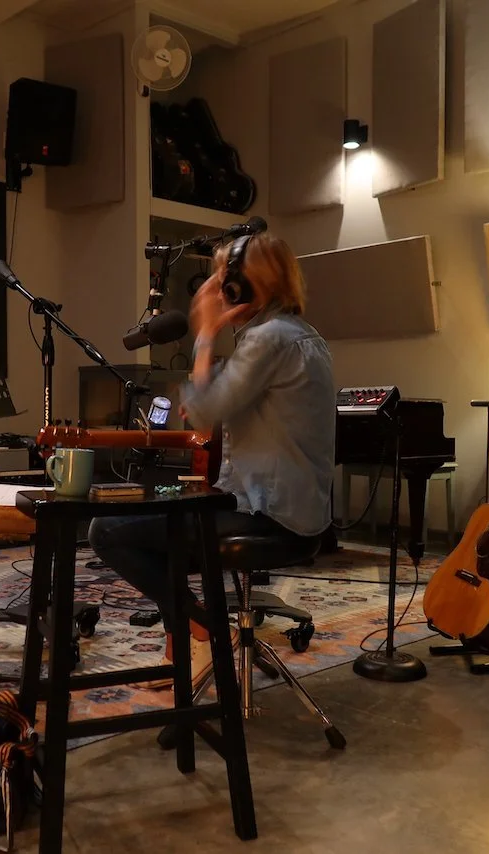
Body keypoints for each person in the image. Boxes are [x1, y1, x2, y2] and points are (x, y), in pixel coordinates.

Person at [87, 230, 336, 688]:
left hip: (268, 515)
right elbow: (225, 400)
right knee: (167, 527)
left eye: (224, 277)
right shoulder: (301, 336)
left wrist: (204, 336)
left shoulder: (269, 340)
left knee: (108, 531)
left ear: (244, 284)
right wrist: (212, 385)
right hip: (298, 511)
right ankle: (188, 639)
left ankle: (200, 628)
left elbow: (202, 412)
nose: (218, 289)